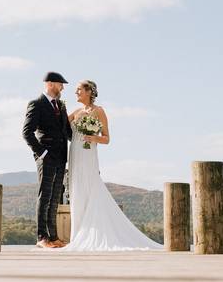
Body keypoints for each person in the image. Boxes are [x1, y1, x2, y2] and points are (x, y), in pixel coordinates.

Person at [59, 80, 162, 251]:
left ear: (89, 91)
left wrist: (94, 138)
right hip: (75, 152)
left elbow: (107, 138)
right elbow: (61, 125)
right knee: (77, 189)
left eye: (79, 90)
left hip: (88, 152)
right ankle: (78, 235)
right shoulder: (76, 112)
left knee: (91, 185)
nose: (76, 93)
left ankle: (95, 232)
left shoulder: (99, 111)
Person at [22, 72, 71, 249]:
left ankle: (54, 237)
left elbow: (67, 132)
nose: (62, 88)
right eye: (60, 84)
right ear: (50, 84)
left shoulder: (61, 105)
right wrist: (41, 153)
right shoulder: (37, 104)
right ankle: (42, 237)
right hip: (46, 157)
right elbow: (27, 133)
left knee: (55, 196)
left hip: (61, 157)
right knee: (45, 196)